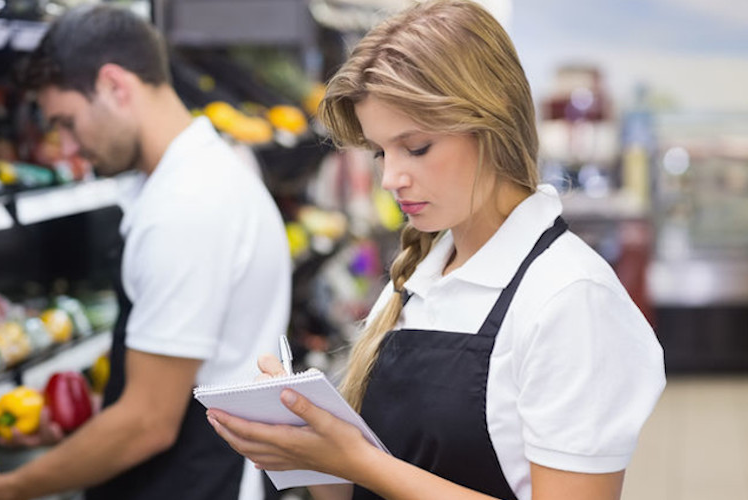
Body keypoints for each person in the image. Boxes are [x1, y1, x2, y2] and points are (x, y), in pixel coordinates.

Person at [206, 1, 666, 499]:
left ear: (491, 126)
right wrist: (304, 443)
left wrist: (358, 460)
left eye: (417, 147)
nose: (390, 179)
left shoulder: (569, 298)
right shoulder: (417, 279)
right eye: (381, 152)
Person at [0, 6, 291, 500]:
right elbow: (184, 380)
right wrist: (82, 421)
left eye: (67, 121)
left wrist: (4, 489)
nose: (67, 146)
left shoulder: (186, 206)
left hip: (197, 482)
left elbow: (148, 422)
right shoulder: (206, 174)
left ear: (115, 86)